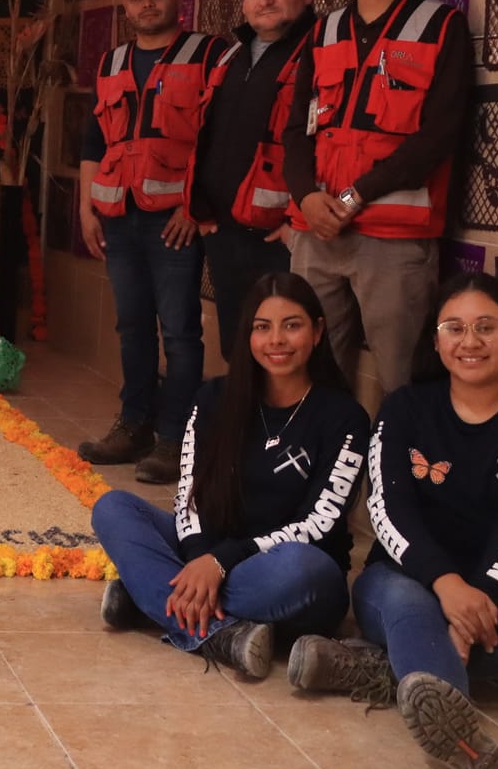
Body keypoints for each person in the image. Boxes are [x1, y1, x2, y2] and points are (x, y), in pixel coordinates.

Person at [288, 273, 498, 769]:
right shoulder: (405, 409)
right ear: (435, 342)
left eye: (486, 327)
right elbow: (387, 512)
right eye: (454, 328)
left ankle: (387, 665)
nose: (470, 341)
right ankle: (465, 745)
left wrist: (477, 595)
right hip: (404, 583)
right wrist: (446, 584)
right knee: (405, 605)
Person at [91, 272, 368, 678]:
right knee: (113, 507)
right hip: (212, 550)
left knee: (301, 568)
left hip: (289, 572)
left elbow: (318, 524)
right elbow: (189, 494)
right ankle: (223, 634)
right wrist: (201, 556)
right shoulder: (215, 398)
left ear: (318, 331)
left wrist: (219, 563)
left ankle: (150, 597)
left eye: (292, 325)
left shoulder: (345, 418)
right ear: (247, 335)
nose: (276, 340)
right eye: (262, 327)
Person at [281, 0, 474, 395]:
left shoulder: (440, 25)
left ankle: (395, 475)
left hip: (394, 236)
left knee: (400, 377)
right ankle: (328, 470)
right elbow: (296, 132)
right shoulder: (322, 32)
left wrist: (352, 197)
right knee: (315, 372)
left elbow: (439, 135)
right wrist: (305, 196)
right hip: (315, 230)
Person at [77, 0, 223, 483]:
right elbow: (95, 140)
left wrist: (195, 207)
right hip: (119, 215)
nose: (147, 4)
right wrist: (85, 205)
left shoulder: (207, 54)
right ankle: (133, 424)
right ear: (124, 5)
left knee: (180, 333)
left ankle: (173, 437)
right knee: (131, 326)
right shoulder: (112, 62)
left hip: (173, 221)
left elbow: (218, 139)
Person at [194, 0, 314, 357]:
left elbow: (329, 145)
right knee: (239, 347)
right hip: (225, 233)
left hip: (279, 237)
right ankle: (245, 422)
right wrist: (202, 211)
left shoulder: (320, 54)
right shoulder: (232, 55)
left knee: (282, 353)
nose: (264, 1)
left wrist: (298, 220)